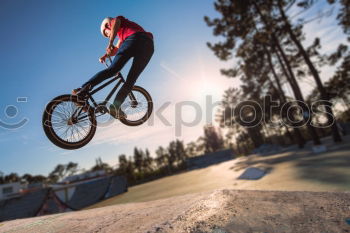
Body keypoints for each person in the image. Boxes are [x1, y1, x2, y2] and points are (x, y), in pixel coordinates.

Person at [72, 16, 154, 119]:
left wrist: (110, 42)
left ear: (107, 25)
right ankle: (115, 107)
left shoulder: (116, 20)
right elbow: (116, 50)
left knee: (112, 70)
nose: (108, 35)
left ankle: (82, 92)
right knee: (130, 80)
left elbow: (116, 24)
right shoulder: (122, 36)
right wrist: (106, 55)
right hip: (148, 46)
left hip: (135, 38)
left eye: (107, 33)